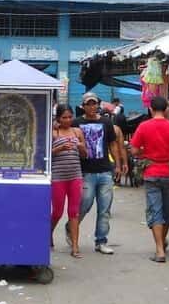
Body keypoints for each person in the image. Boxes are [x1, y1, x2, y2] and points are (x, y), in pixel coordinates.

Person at [129, 96, 169, 263]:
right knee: (167, 211)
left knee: (155, 211)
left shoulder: (143, 126)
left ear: (150, 109)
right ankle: (162, 242)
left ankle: (160, 250)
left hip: (151, 173)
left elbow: (133, 150)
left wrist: (146, 152)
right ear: (167, 109)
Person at [71, 92, 127, 255]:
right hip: (86, 171)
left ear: (98, 105)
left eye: (94, 103)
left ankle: (101, 241)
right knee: (85, 204)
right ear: (83, 106)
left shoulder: (106, 122)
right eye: (88, 104)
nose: (91, 106)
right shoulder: (76, 123)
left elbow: (112, 144)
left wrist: (117, 165)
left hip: (104, 171)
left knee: (104, 209)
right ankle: (71, 228)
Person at [51, 104, 86, 258]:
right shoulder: (53, 133)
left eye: (70, 117)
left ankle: (75, 246)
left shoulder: (77, 132)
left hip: (75, 176)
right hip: (58, 177)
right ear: (58, 118)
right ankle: (48, 233)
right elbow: (45, 154)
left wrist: (80, 146)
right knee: (57, 212)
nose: (67, 120)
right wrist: (60, 148)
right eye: (64, 117)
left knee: (74, 212)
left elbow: (85, 154)